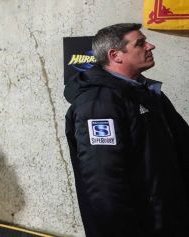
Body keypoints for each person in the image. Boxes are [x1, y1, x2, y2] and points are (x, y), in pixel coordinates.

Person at [64, 23, 189, 236]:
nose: (151, 46)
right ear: (116, 55)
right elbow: (104, 184)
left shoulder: (146, 92)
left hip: (169, 219)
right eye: (140, 43)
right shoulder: (98, 105)